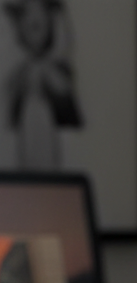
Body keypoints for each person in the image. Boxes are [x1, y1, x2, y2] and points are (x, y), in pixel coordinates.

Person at [4, 0, 82, 170]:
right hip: (26, 145)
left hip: (47, 142)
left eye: (38, 26)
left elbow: (63, 93)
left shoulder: (55, 69)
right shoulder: (19, 74)